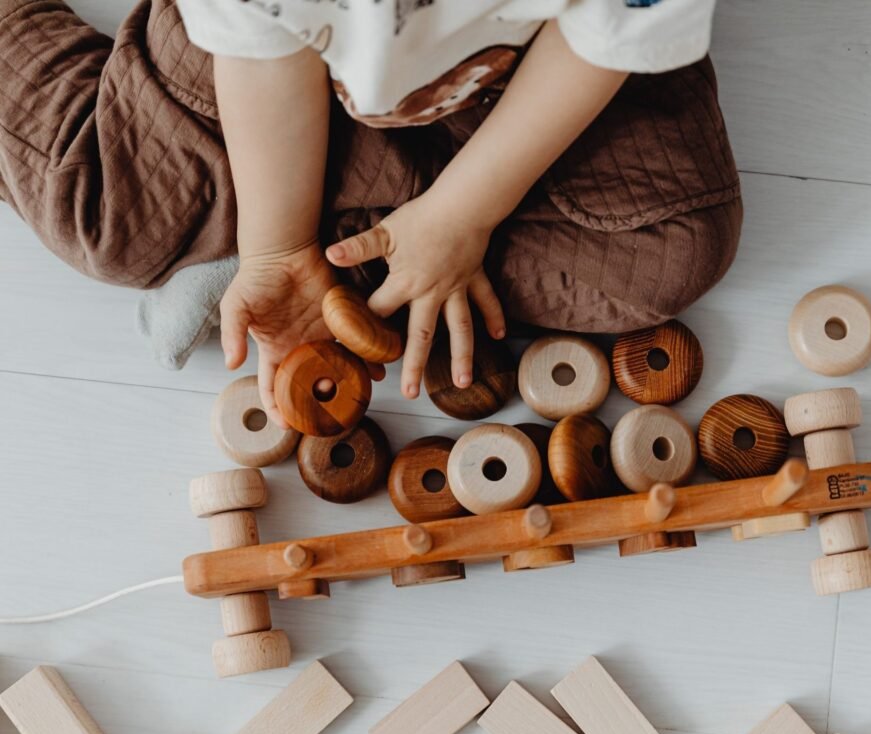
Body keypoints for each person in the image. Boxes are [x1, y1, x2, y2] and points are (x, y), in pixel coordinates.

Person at [0, 0, 742, 425]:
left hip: (531, 68)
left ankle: (359, 227)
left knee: (672, 253)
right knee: (105, 224)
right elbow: (259, 48)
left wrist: (464, 215)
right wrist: (273, 247)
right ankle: (338, 231)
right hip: (283, 59)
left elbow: (604, 39)